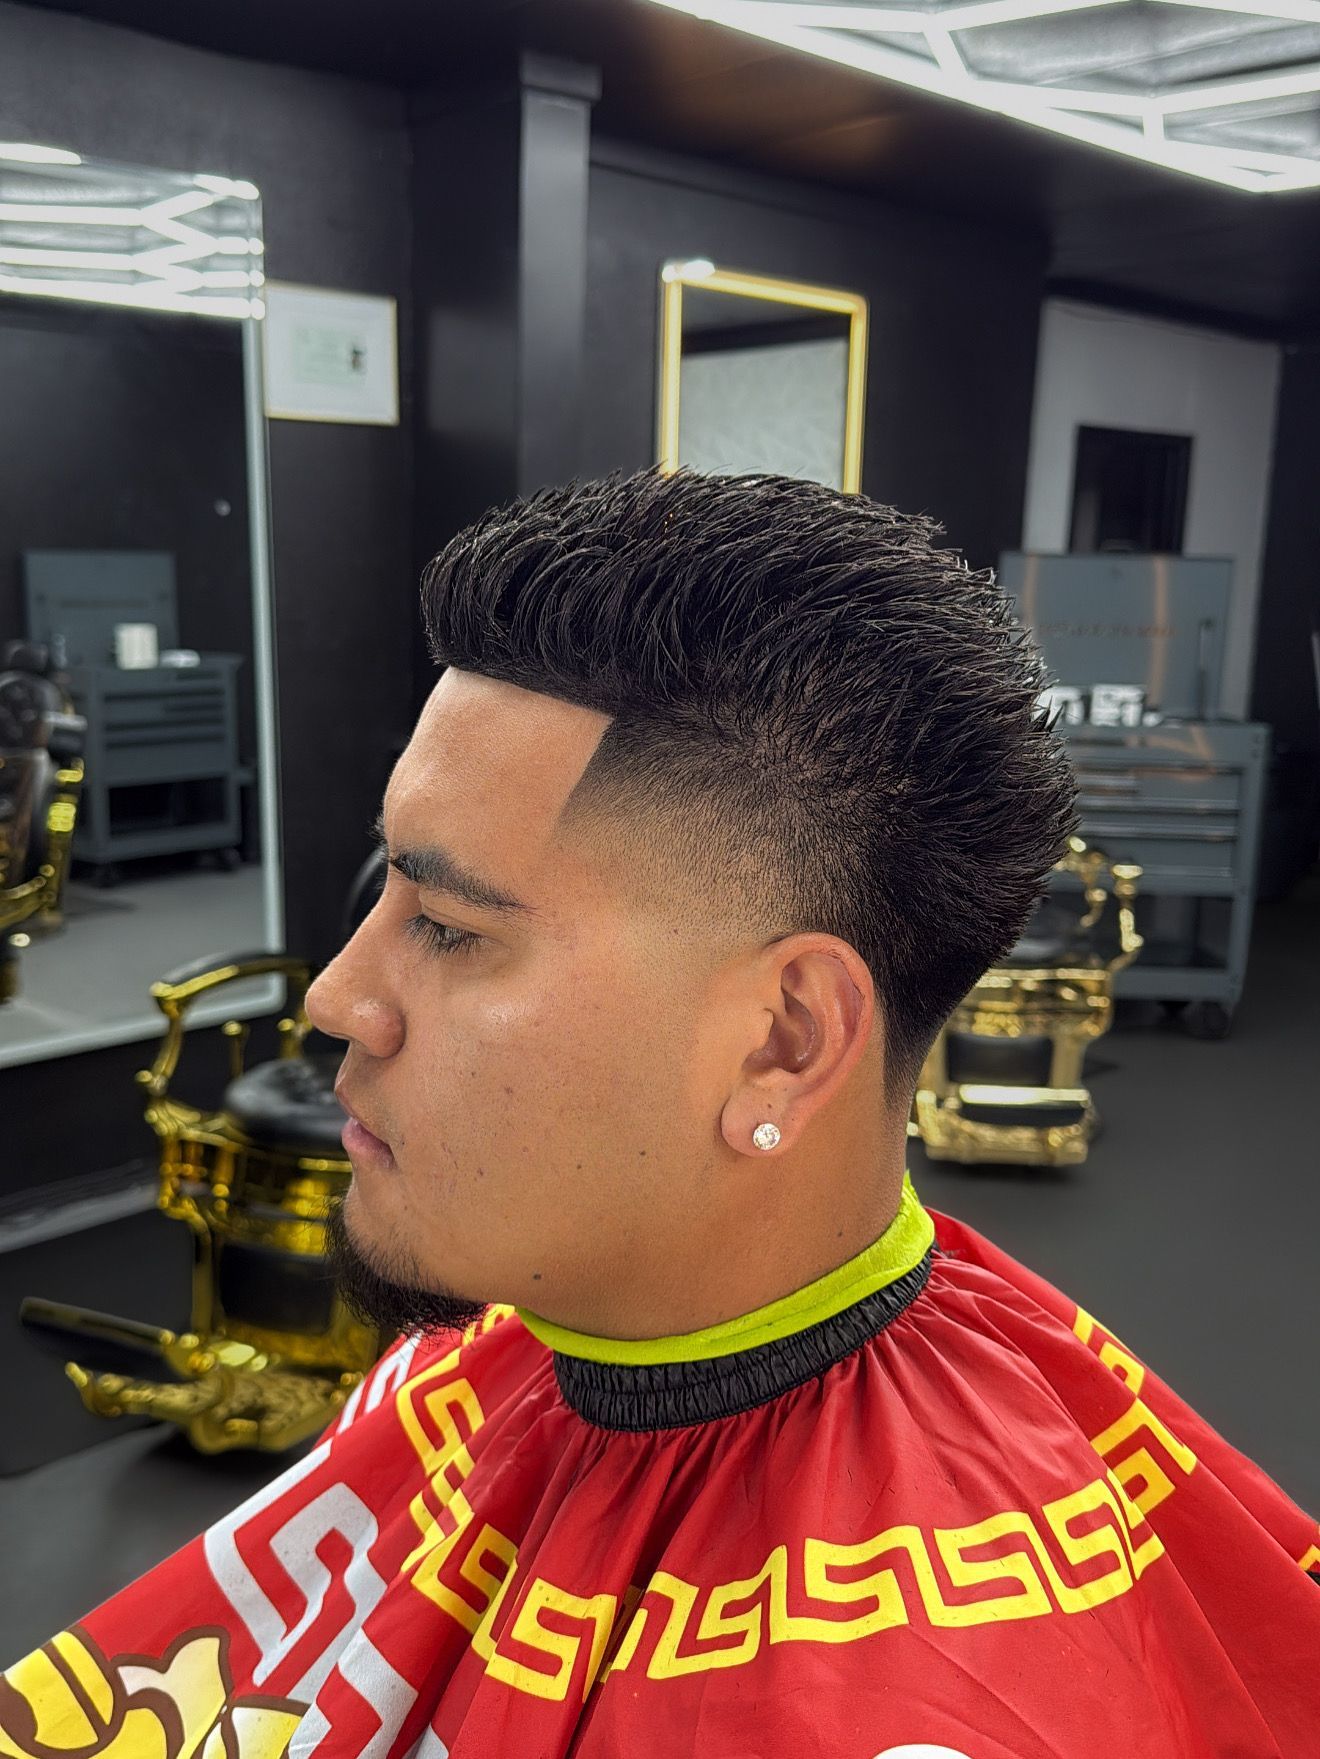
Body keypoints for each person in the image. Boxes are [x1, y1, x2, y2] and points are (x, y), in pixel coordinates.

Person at [3, 470, 1315, 1759]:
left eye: (451, 930)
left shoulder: (930, 1701)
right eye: (387, 895)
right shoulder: (500, 1333)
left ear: (781, 1042)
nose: (339, 999)